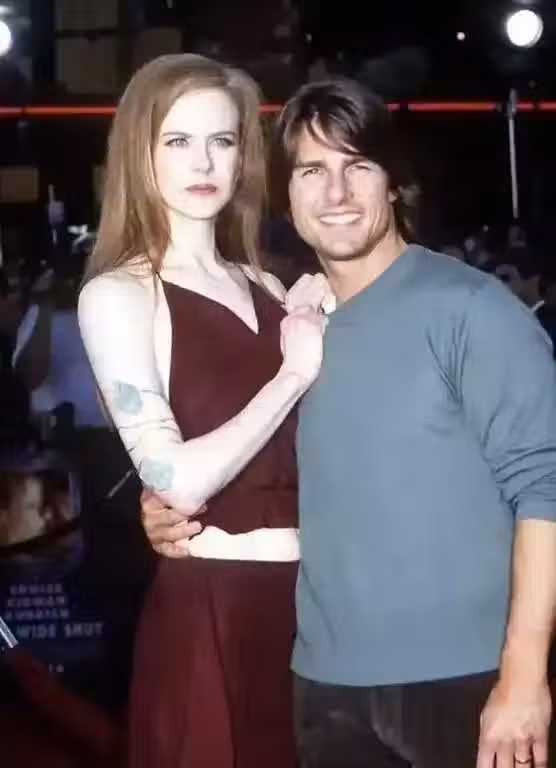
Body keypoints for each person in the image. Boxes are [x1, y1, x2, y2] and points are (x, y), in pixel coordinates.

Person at [141, 77, 556, 768]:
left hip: (468, 679)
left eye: (357, 165)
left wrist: (523, 677)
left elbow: (545, 490)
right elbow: (251, 464)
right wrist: (167, 507)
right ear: (287, 195)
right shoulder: (290, 334)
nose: (336, 192)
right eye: (311, 170)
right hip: (324, 686)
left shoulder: (471, 309)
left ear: (393, 184)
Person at [78, 53, 326, 768]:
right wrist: (294, 374)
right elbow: (177, 482)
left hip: (317, 610)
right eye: (178, 140)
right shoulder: (119, 296)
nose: (204, 161)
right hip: (213, 608)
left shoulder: (270, 288)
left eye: (221, 140)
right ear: (141, 153)